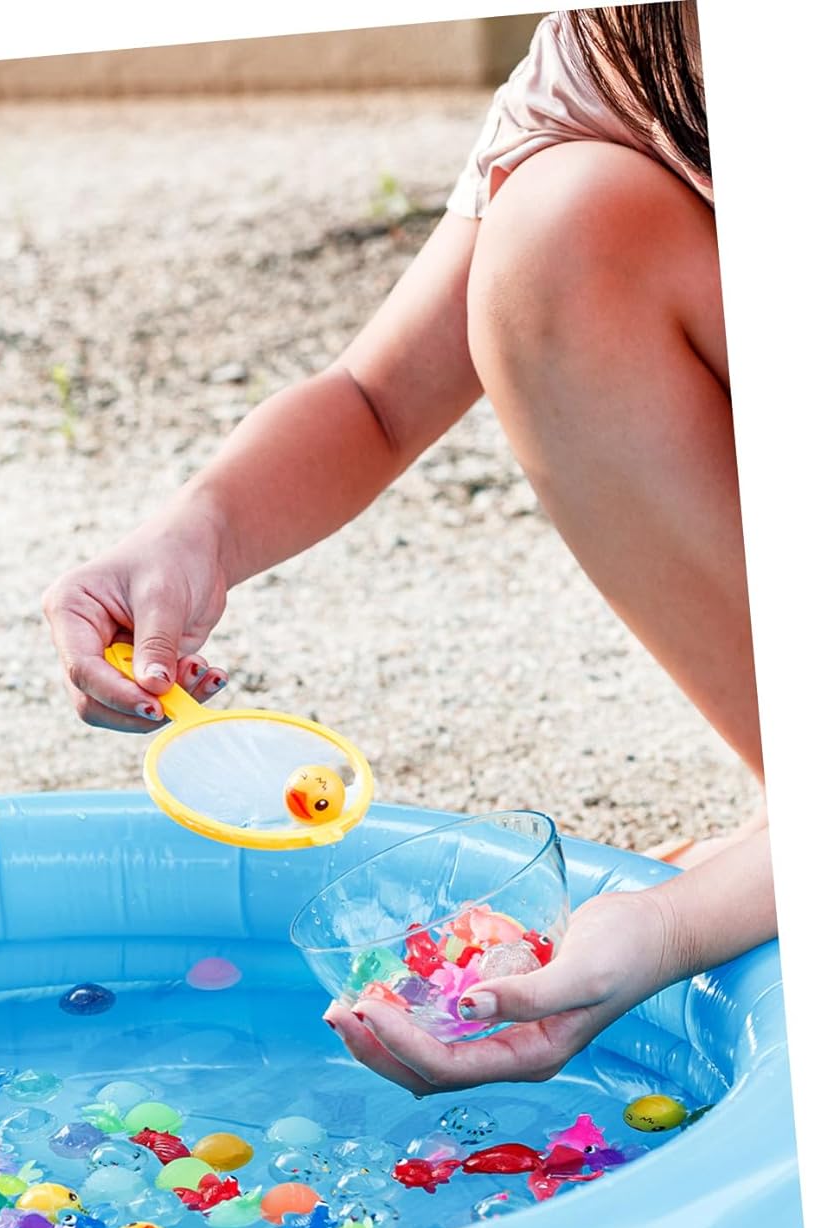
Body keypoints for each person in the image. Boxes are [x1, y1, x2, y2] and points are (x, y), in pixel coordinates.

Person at [40, 4, 775, 1095]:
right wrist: (198, 531)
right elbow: (376, 398)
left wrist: (672, 927)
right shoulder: (625, 44)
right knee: (560, 232)